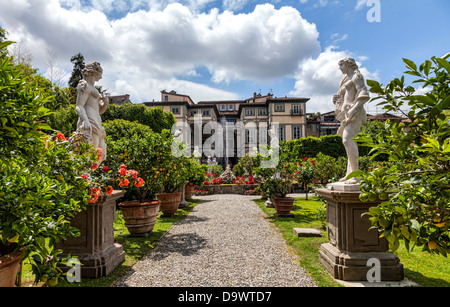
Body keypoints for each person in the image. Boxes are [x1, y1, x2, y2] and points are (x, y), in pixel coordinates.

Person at [333, 57, 370, 183]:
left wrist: (355, 108)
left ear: (348, 65)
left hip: (355, 113)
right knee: (347, 142)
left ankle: (356, 175)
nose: (339, 68)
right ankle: (350, 173)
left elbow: (363, 93)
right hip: (346, 115)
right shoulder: (344, 79)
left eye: (341, 65)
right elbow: (346, 95)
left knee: (347, 140)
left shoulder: (357, 76)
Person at [71, 62, 109, 164]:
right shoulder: (84, 85)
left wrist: (105, 103)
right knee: (89, 153)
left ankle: (88, 177)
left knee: (100, 154)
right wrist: (85, 120)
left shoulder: (94, 88)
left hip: (96, 121)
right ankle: (84, 177)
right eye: (100, 73)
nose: (101, 77)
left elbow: (99, 110)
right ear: (93, 72)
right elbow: (79, 106)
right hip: (89, 121)